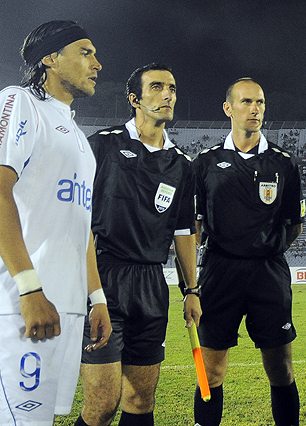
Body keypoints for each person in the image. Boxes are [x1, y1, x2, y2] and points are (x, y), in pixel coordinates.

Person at [74, 63, 201, 426]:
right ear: (134, 99)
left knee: (141, 400)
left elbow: (182, 232)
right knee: (102, 404)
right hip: (103, 280)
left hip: (151, 285)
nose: (167, 95)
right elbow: (79, 222)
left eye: (172, 88)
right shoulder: (102, 145)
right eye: (157, 87)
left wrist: (191, 290)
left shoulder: (182, 165)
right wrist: (92, 291)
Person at [0, 20, 111, 425]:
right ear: (50, 58)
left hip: (63, 307)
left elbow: (79, 226)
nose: (97, 64)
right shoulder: (18, 101)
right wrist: (29, 289)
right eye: (86, 52)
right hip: (20, 305)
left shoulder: (78, 136)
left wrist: (95, 297)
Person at [192, 77, 304, 426]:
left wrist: (264, 249)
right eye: (246, 102)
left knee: (280, 367)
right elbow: (194, 227)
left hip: (268, 273)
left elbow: (293, 224)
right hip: (218, 272)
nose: (254, 109)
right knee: (209, 370)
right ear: (228, 108)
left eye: (260, 102)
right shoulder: (205, 163)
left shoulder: (284, 163)